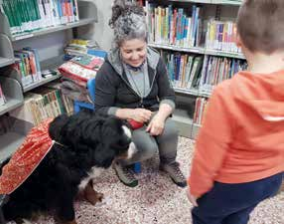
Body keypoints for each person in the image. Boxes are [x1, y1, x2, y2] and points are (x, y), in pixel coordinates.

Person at [186, 0, 284, 223]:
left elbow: (208, 153)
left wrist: (196, 187)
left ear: (237, 38)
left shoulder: (228, 94)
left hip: (232, 183)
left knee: (206, 216)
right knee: (241, 213)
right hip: (272, 179)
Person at [94, 0, 186, 188]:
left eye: (140, 49)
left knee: (170, 130)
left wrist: (160, 116)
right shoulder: (108, 69)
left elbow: (169, 95)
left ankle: (168, 163)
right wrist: (130, 113)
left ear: (146, 43)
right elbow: (101, 110)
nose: (135, 56)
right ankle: (121, 162)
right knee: (147, 148)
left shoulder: (155, 60)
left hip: (151, 111)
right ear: (118, 47)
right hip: (124, 119)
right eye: (128, 51)